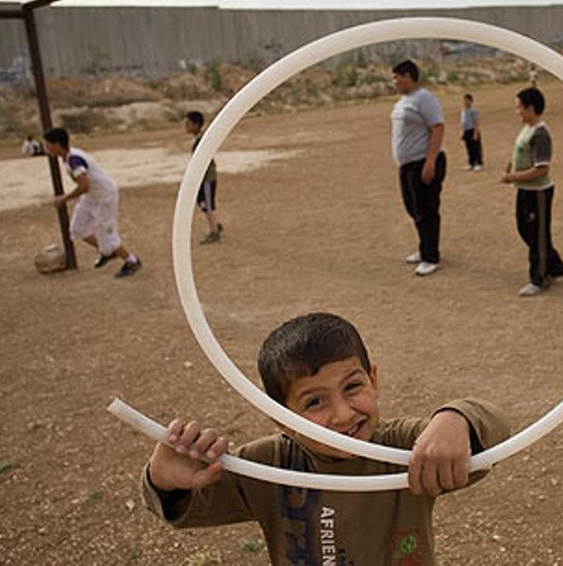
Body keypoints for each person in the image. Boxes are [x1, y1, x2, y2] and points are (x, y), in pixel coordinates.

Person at [141, 311, 509, 564]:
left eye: (353, 386)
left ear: (374, 379)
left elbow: (493, 438)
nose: (343, 413)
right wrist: (165, 481)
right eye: (314, 401)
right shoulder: (269, 467)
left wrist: (456, 418)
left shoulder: (400, 447)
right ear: (280, 417)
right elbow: (185, 509)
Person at [42, 127, 142, 278]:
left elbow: (84, 185)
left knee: (107, 234)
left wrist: (64, 198)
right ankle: (106, 251)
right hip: (92, 196)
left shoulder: (74, 159)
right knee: (78, 229)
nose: (46, 148)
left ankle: (131, 261)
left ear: (57, 145)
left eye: (48, 145)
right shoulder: (69, 157)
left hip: (104, 197)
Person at [501, 87, 563, 297]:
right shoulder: (527, 129)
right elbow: (520, 152)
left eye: (520, 107)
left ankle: (539, 277)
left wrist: (512, 177)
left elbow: (542, 168)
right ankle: (556, 265)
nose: (517, 112)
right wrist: (510, 167)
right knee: (524, 229)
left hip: (538, 192)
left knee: (537, 234)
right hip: (524, 190)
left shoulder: (541, 134)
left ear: (531, 108)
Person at [391, 60, 446, 276]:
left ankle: (431, 256)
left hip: (423, 162)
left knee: (426, 209)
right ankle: (425, 247)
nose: (394, 82)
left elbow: (438, 127)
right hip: (407, 164)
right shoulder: (404, 100)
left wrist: (430, 161)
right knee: (413, 207)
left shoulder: (424, 98)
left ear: (407, 76)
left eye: (396, 77)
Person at [184, 111, 223, 244]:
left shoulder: (201, 140)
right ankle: (215, 224)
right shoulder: (201, 139)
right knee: (205, 203)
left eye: (188, 123)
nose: (186, 126)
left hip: (206, 178)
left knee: (207, 205)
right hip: (205, 177)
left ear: (196, 125)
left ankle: (214, 231)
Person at [460, 93, 483, 171]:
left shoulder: (473, 111)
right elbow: (463, 123)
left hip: (472, 130)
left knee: (476, 147)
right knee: (469, 148)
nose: (465, 102)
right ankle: (471, 163)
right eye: (464, 101)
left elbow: (476, 122)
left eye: (467, 101)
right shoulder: (463, 111)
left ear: (471, 101)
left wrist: (476, 133)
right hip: (466, 131)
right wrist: (463, 133)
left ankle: (479, 163)